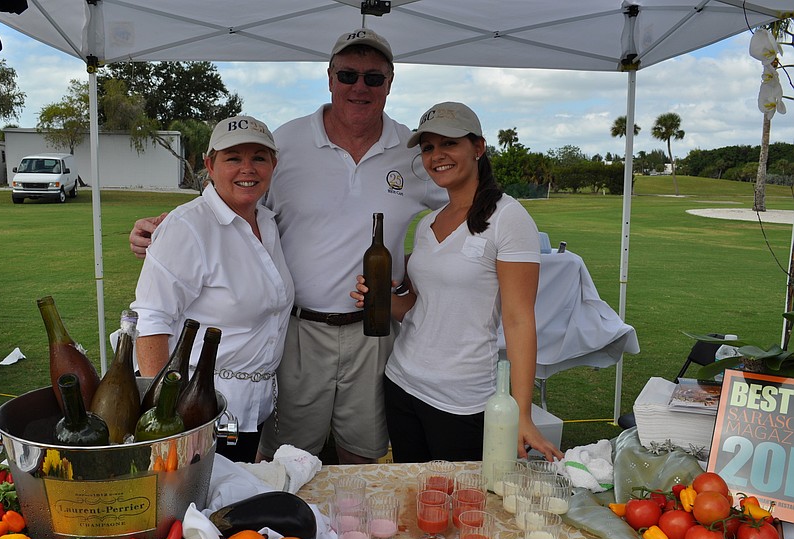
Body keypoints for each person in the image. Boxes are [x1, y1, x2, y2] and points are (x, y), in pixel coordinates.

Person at [129, 29, 447, 464]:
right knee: (288, 458)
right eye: (348, 75)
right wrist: (168, 229)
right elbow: (235, 198)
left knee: (363, 454)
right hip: (298, 333)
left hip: (373, 335)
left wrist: (419, 270)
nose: (360, 87)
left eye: (373, 78)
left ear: (390, 83)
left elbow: (459, 210)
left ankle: (345, 532)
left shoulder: (410, 154)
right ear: (329, 77)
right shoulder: (289, 141)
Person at [351, 102, 563, 462]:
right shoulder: (427, 222)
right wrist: (380, 299)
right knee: (415, 501)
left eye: (449, 144)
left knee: (461, 508)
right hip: (402, 382)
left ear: (478, 148)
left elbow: (519, 320)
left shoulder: (509, 218)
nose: (437, 156)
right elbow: (420, 307)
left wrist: (522, 413)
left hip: (462, 400)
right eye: (428, 147)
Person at [130, 115, 294, 463]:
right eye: (233, 157)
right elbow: (151, 323)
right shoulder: (186, 227)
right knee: (195, 512)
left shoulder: (266, 221)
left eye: (259, 157)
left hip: (252, 409)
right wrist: (166, 416)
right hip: (196, 412)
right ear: (210, 164)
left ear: (273, 165)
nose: (247, 168)